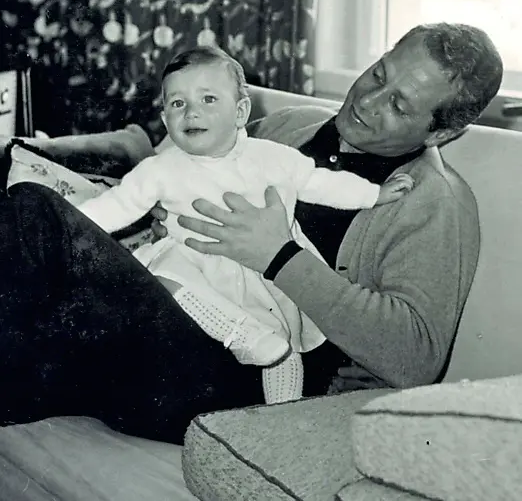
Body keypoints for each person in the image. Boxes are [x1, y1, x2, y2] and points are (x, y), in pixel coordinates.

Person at [0, 22, 502, 445]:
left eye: (399, 104)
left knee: (35, 213)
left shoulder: (434, 205)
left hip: (248, 375)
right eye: (378, 74)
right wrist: (158, 212)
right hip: (172, 309)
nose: (368, 101)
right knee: (34, 241)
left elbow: (414, 358)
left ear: (440, 133)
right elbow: (188, 165)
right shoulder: (292, 126)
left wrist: (279, 257)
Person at [77, 46, 413, 404]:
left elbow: (322, 183)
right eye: (177, 104)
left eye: (208, 99)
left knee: (282, 346)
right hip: (194, 265)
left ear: (240, 112)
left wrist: (374, 195)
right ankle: (242, 335)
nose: (192, 112)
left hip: (261, 276)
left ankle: (281, 413)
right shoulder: (160, 169)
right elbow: (116, 206)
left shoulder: (273, 157)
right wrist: (71, 222)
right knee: (162, 274)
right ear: (164, 121)